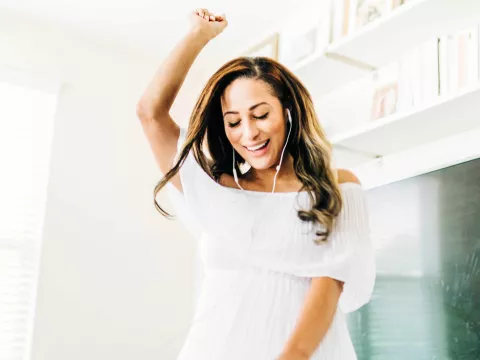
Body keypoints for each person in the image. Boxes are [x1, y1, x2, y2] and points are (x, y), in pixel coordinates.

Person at [136, 8, 376, 360]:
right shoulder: (217, 188)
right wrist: (199, 35)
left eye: (261, 115)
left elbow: (332, 279)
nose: (248, 133)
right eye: (233, 122)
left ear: (288, 111)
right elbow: (150, 113)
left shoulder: (337, 186)